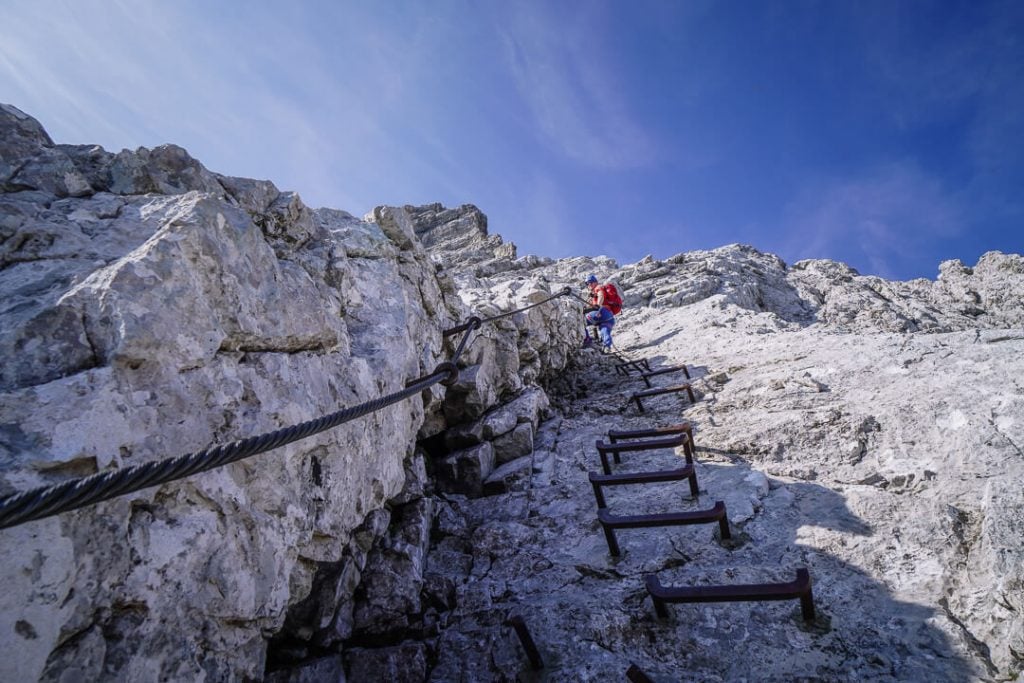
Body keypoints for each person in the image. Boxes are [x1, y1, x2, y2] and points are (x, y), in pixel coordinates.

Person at [583, 274, 620, 350]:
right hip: (609, 316)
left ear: (593, 282)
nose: (588, 285)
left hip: (601, 311)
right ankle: (607, 347)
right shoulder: (593, 294)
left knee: (581, 322)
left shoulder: (598, 287)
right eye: (587, 283)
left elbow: (601, 295)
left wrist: (598, 306)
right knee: (604, 330)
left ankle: (587, 340)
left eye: (589, 283)